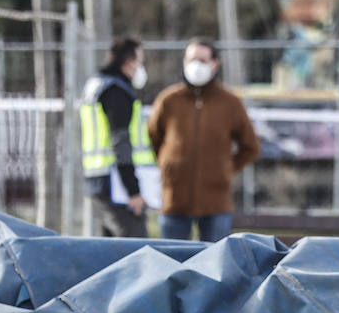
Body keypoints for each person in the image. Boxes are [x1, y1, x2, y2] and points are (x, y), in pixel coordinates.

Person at [147, 38, 261, 242]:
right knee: (170, 261)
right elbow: (153, 137)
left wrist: (226, 169)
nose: (196, 65)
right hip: (174, 198)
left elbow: (250, 146)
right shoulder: (168, 100)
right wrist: (168, 164)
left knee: (213, 264)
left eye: (202, 59)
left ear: (215, 64)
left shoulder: (230, 102)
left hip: (216, 201)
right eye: (191, 59)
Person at [80, 37, 154, 238]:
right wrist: (133, 191)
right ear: (129, 62)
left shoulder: (96, 86)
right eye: (140, 61)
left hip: (99, 180)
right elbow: (120, 143)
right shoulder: (116, 92)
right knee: (135, 249)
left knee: (110, 252)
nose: (141, 67)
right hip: (116, 186)